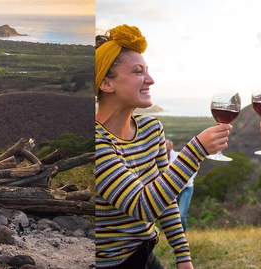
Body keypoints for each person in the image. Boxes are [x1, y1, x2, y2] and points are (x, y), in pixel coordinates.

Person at [94, 24, 231, 269]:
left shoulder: (151, 129)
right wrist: (196, 150)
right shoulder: (95, 144)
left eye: (148, 70)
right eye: (138, 72)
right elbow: (142, 205)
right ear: (106, 83)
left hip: (146, 255)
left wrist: (183, 255)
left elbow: (164, 198)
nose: (150, 79)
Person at [166, 139, 196, 231]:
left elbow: (193, 166)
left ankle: (183, 236)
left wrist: (187, 180)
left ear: (171, 146)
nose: (164, 146)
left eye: (166, 144)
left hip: (186, 189)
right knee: (171, 216)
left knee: (181, 215)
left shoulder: (178, 155)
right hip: (172, 190)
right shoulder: (160, 159)